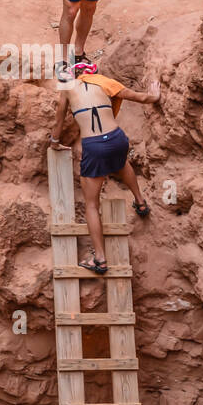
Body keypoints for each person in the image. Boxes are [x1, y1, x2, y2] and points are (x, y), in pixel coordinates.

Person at [48, 59, 160, 274]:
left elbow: (58, 121)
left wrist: (54, 142)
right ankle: (141, 202)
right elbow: (140, 97)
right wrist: (154, 96)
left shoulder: (68, 88)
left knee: (91, 204)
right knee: (121, 163)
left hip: (94, 145)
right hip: (117, 138)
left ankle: (99, 259)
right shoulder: (104, 82)